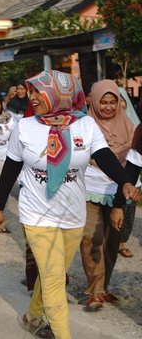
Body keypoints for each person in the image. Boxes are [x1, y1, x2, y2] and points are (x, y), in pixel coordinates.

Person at [0, 70, 139, 339]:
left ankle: (32, 316)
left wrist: (124, 181)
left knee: (53, 273)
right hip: (36, 214)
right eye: (31, 91)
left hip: (72, 214)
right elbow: (11, 169)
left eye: (37, 92)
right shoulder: (24, 127)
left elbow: (104, 156)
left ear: (59, 94)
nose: (32, 97)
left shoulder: (85, 125)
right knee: (53, 277)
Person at [80, 80, 135, 311]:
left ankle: (103, 287)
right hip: (89, 189)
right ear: (93, 101)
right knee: (90, 239)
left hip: (119, 193)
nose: (109, 107)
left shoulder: (129, 125)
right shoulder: (84, 125)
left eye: (113, 102)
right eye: (103, 102)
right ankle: (93, 290)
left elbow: (134, 162)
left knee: (112, 241)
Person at [117, 87, 140, 258]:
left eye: (120, 99)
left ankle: (121, 240)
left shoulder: (135, 125)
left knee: (129, 212)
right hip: (108, 177)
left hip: (129, 175)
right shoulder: (94, 123)